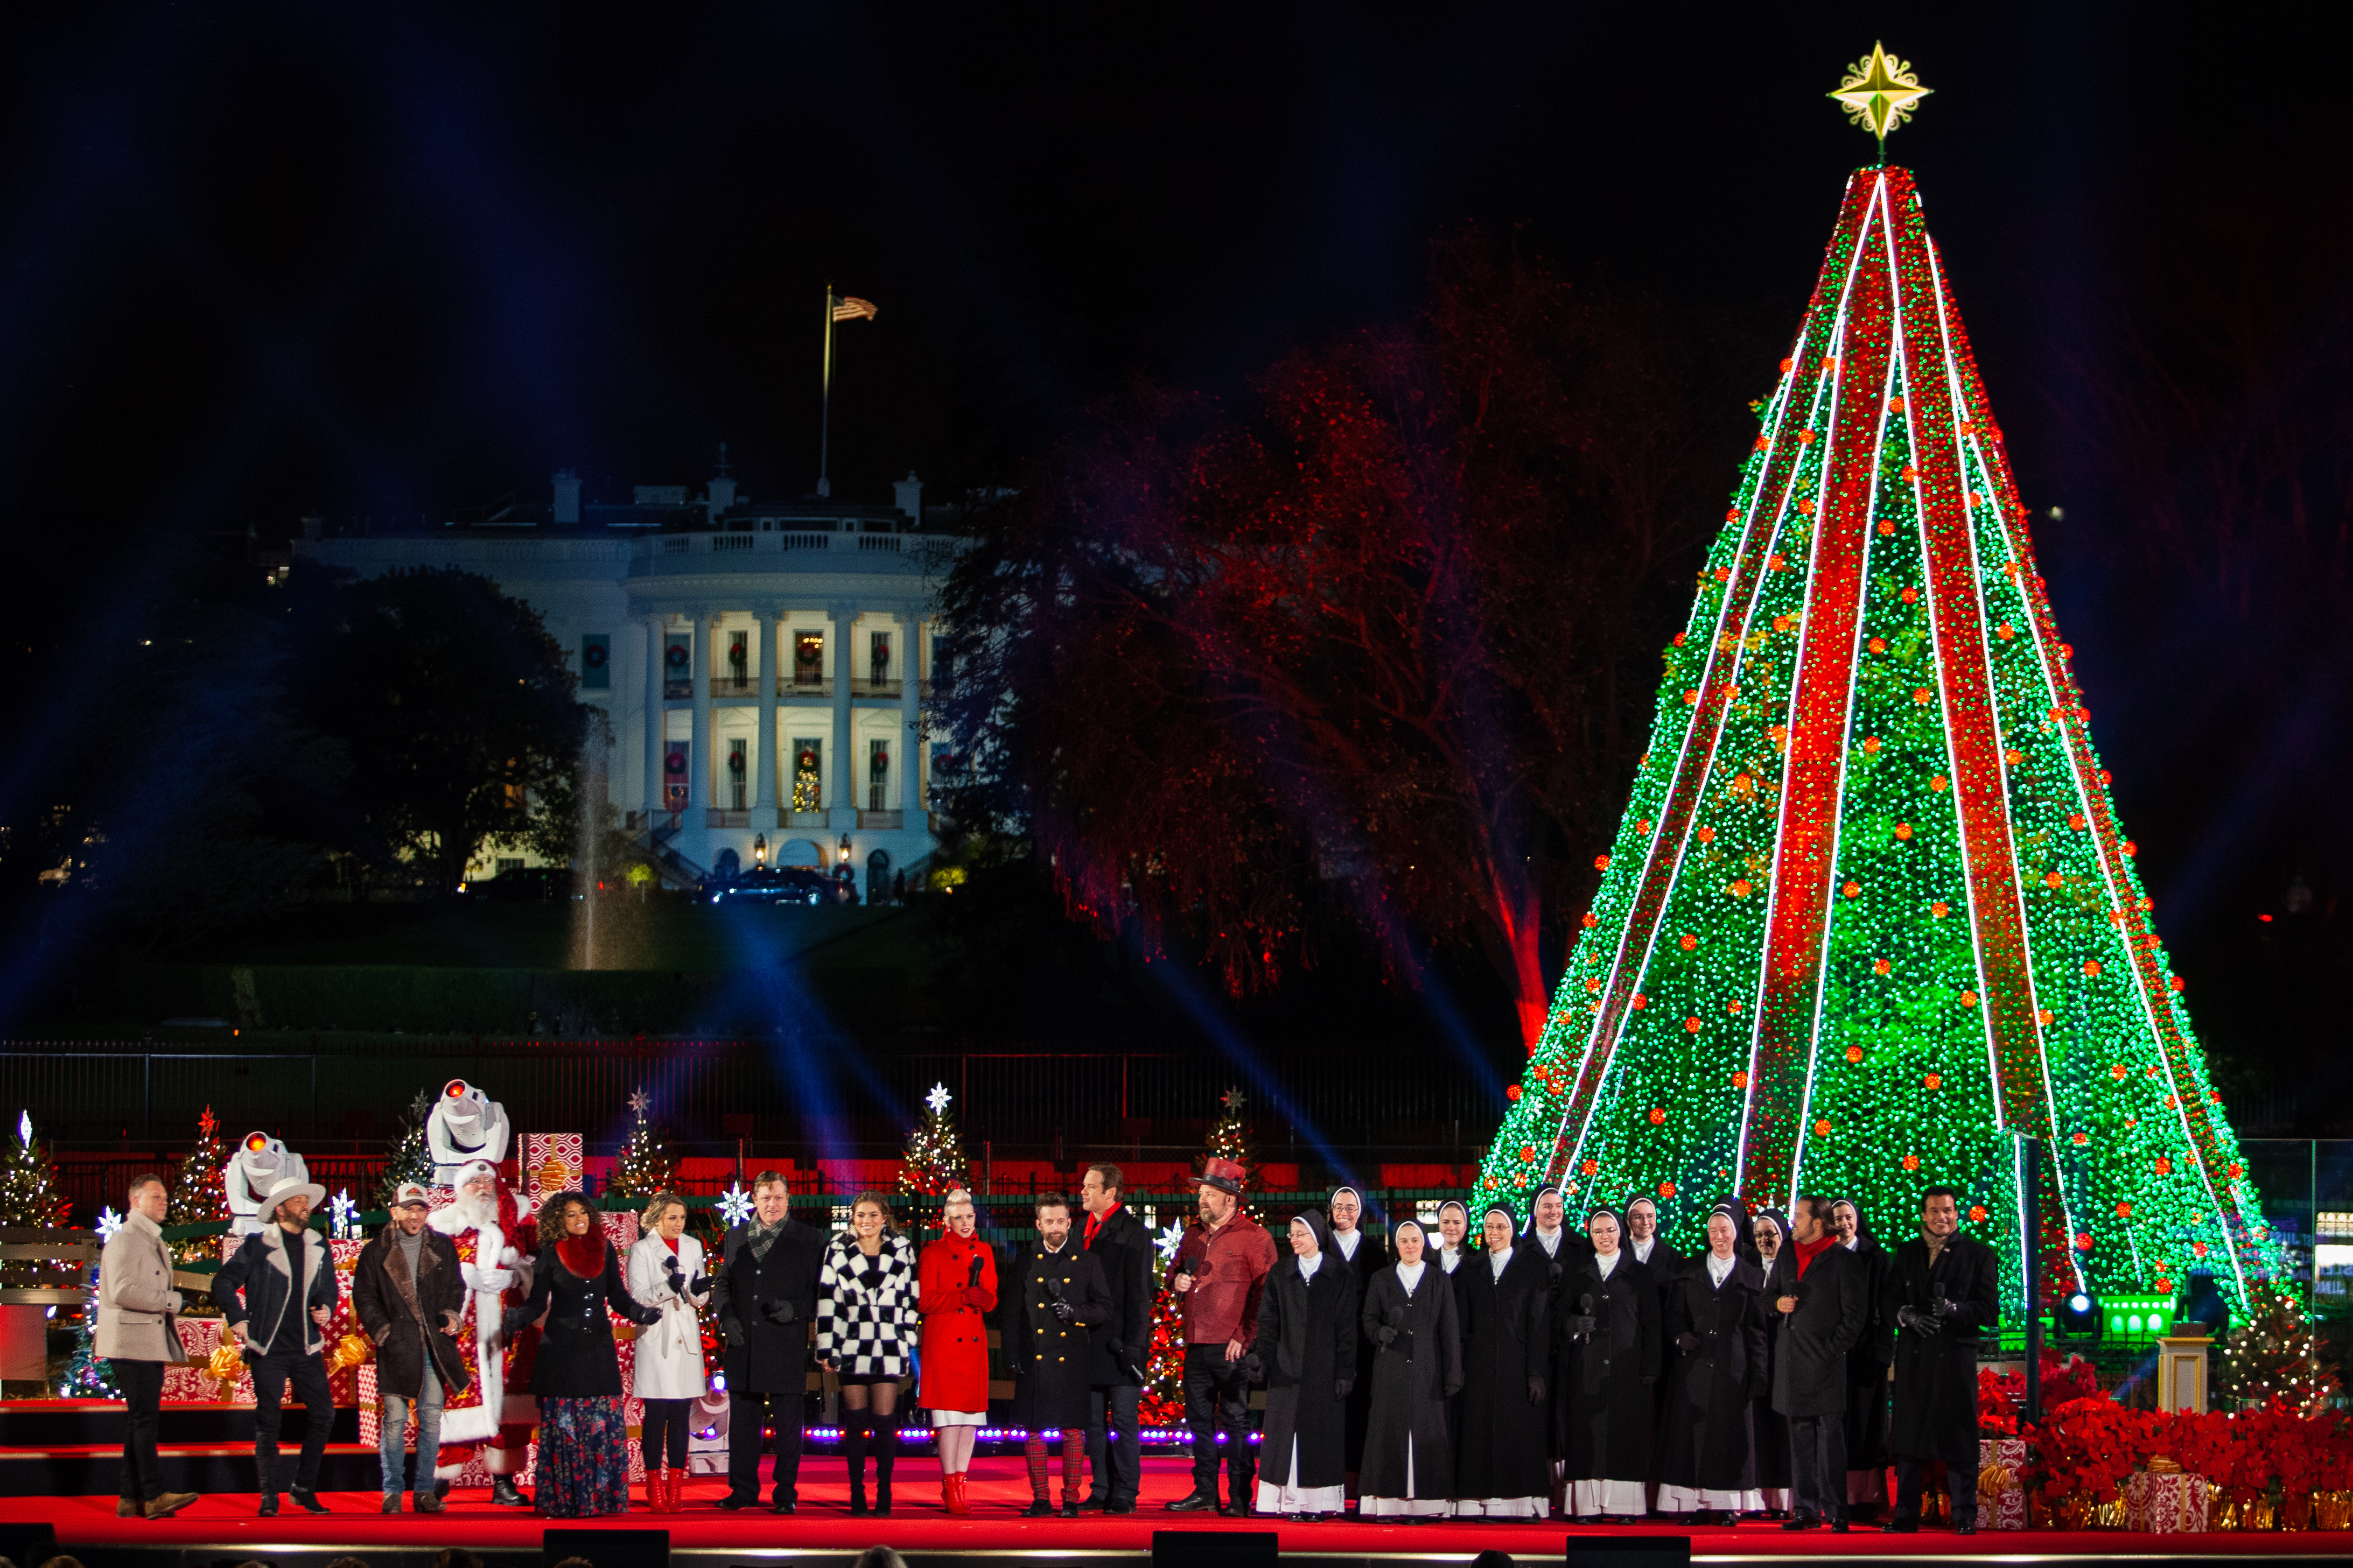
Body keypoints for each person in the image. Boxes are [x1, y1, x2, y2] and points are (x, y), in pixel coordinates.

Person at [503, 1191, 661, 1517]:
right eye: (571, 1215)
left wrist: (641, 1313)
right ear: (559, 1221)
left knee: (601, 1427)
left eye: (583, 1213)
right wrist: (516, 1319)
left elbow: (618, 1296)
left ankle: (603, 1499)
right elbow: (536, 1303)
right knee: (564, 1429)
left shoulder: (604, 1250)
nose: (579, 1219)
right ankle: (564, 1500)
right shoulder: (549, 1254)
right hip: (560, 1352)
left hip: (597, 1352)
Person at [214, 1172, 339, 1516]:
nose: (306, 1206)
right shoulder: (258, 1246)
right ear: (280, 1209)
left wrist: (327, 1308)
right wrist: (238, 1319)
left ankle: (303, 1488)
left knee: (324, 1415)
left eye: (307, 1201)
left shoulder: (318, 1243)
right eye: (298, 1201)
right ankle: (270, 1496)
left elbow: (329, 1289)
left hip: (306, 1348)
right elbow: (224, 1283)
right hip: (267, 1348)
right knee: (268, 1421)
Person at [1164, 1157, 1277, 1516]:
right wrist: (1176, 1280)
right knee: (1198, 1424)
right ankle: (1205, 1492)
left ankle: (1241, 1496)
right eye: (1201, 1193)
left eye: (1210, 1194)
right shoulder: (1194, 1233)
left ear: (1231, 1198)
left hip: (1231, 1347)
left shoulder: (1256, 1237)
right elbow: (1174, 1270)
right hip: (1196, 1342)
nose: (1202, 1200)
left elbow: (1265, 1293)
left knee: (1236, 1422)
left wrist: (1244, 1336)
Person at [1883, 1187, 1999, 1535]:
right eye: (1934, 1211)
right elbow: (1887, 1301)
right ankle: (1905, 1515)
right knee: (1909, 1437)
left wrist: (1954, 1310)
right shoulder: (1907, 1252)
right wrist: (1906, 1315)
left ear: (1956, 1214)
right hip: (1915, 1357)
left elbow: (1990, 1311)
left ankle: (1965, 1516)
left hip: (1954, 1359)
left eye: (1947, 1210)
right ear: (1923, 1214)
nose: (1941, 1217)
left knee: (1959, 1438)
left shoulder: (1979, 1255)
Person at [427, 1158, 538, 1507]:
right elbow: (424, 1272)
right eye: (473, 1182)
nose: (482, 1187)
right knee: (458, 1399)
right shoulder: (443, 1226)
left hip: (509, 1327)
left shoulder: (516, 1221)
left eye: (487, 1181)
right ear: (461, 1189)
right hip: (463, 1329)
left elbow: (537, 1261)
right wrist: (462, 1274)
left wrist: (518, 1275)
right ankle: (440, 1477)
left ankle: (504, 1479)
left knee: (509, 1400)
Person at [353, 1182, 469, 1515]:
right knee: (395, 1418)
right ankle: (392, 1493)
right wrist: (382, 1330)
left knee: (431, 1418)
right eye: (409, 1209)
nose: (415, 1215)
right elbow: (364, 1296)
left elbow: (455, 1288)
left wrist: (450, 1314)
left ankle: (423, 1492)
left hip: (433, 1343)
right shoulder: (376, 1251)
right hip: (397, 1344)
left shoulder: (443, 1247)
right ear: (395, 1212)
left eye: (420, 1209)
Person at [713, 1170, 825, 1513]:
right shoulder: (735, 1237)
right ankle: (743, 1490)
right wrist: (727, 1316)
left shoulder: (810, 1239)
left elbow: (823, 1293)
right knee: (744, 1424)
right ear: (755, 1201)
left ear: (788, 1199)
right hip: (743, 1344)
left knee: (789, 1426)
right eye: (765, 1198)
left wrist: (796, 1309)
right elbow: (722, 1285)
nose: (772, 1204)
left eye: (778, 1198)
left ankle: (786, 1493)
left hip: (785, 1344)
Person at [1657, 1201, 1768, 1524]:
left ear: (1736, 1233)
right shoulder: (1688, 1272)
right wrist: (1680, 1336)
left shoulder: (1752, 1277)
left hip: (1733, 1370)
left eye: (1725, 1230)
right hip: (1694, 1369)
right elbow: (1673, 1315)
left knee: (1728, 1437)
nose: (1718, 1236)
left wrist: (1759, 1373)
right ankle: (1693, 1505)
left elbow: (1757, 1331)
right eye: (1713, 1230)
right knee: (1691, 1438)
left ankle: (1726, 1505)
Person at [1002, 1194, 1112, 1516]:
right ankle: (1040, 1498)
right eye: (1049, 1222)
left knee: (1073, 1429)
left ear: (1069, 1222)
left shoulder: (1087, 1261)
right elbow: (1011, 1313)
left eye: (1061, 1221)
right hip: (1033, 1356)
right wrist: (1011, 1354)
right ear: (1039, 1225)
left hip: (1072, 1357)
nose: (1056, 1228)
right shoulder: (1026, 1260)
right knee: (1034, 1431)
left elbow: (1105, 1307)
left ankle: (1071, 1499)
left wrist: (1076, 1314)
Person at [96, 1173, 198, 1520]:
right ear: (135, 1202)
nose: (164, 1202)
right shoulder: (128, 1240)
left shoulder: (146, 1239)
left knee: (139, 1420)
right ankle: (153, 1495)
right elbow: (121, 1291)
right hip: (132, 1342)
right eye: (156, 1197)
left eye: (165, 1197)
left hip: (141, 1341)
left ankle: (129, 1498)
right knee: (144, 1420)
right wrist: (169, 1301)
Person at [1766, 1194, 1867, 1531]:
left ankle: (1838, 1510)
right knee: (1799, 1440)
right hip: (1792, 1361)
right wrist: (1778, 1303)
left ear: (1819, 1223)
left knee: (1830, 1443)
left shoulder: (1843, 1260)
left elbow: (1855, 1318)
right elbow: (1768, 1296)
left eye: (1799, 1216)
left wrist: (1830, 1352)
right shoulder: (1787, 1254)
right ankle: (1805, 1511)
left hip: (1825, 1366)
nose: (1793, 1221)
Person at [815, 1192, 919, 1518]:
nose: (866, 1221)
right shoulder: (837, 1249)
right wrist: (827, 1349)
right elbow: (827, 1300)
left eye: (873, 1215)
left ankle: (884, 1490)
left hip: (889, 1345)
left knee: (885, 1423)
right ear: (853, 1218)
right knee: (856, 1423)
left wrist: (906, 1339)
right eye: (860, 1215)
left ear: (884, 1218)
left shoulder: (902, 1248)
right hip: (852, 1345)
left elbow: (910, 1298)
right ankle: (857, 1492)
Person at [1250, 1209, 1358, 1521]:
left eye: (1300, 1234)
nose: (1294, 1239)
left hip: (1324, 1373)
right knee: (1286, 1438)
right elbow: (1268, 1322)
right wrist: (1264, 1358)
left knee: (1320, 1438)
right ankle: (1287, 1502)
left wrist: (1344, 1372)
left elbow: (1346, 1329)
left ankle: (1317, 1505)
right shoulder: (1281, 1273)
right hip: (1286, 1370)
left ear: (1317, 1236)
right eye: (1292, 1234)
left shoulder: (1339, 1274)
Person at [1556, 1206, 1658, 1523]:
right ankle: (1586, 1508)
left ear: (1620, 1232)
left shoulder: (1639, 1274)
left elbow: (1652, 1325)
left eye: (1610, 1230)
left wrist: (1650, 1369)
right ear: (1591, 1234)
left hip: (1627, 1371)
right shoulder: (1577, 1272)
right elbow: (1559, 1317)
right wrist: (1574, 1323)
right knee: (1588, 1438)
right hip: (1586, 1369)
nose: (1605, 1237)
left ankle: (1624, 1508)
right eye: (1598, 1231)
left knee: (1624, 1438)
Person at [1357, 1218, 1461, 1520]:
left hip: (1429, 1369)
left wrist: (1453, 1373)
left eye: (1415, 1240)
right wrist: (1379, 1333)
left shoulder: (1440, 1280)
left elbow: (1450, 1330)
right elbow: (1368, 1319)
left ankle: (1427, 1505)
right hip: (1391, 1369)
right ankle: (1389, 1503)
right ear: (1397, 1245)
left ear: (1423, 1243)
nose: (1410, 1246)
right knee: (1390, 1434)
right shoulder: (1381, 1279)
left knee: (1426, 1433)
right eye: (1404, 1241)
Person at [1454, 1204, 1551, 1518]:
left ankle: (1517, 1503)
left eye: (1501, 1227)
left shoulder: (1532, 1267)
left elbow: (1538, 1323)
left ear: (1513, 1230)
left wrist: (1536, 1372)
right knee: (1478, 1432)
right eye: (1489, 1227)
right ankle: (1477, 1502)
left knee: (1517, 1433)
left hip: (1517, 1364)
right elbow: (1462, 1326)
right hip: (1479, 1365)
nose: (1494, 1233)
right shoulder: (1471, 1268)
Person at [626, 1190, 712, 1515]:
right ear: (658, 1218)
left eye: (683, 1218)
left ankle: (676, 1491)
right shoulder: (642, 1249)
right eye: (672, 1218)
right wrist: (669, 1288)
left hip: (686, 1341)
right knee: (657, 1415)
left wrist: (699, 1293)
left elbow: (697, 1297)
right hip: (657, 1339)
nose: (679, 1224)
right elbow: (638, 1296)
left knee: (680, 1416)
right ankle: (653, 1489)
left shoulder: (693, 1246)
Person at [1078, 1162, 1152, 1515]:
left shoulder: (1133, 1231)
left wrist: (1135, 1346)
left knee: (1123, 1421)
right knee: (1093, 1422)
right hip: (1087, 1344)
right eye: (1084, 1185)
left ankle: (1125, 1491)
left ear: (1111, 1192)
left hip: (1122, 1344)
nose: (1083, 1191)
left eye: (1091, 1186)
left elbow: (1140, 1292)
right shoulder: (1080, 1228)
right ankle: (1101, 1487)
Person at [916, 1188, 996, 1514]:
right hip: (945, 1343)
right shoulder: (933, 1252)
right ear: (947, 1220)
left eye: (969, 1216)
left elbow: (991, 1298)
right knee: (949, 1420)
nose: (965, 1223)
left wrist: (983, 1298)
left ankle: (961, 1482)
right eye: (958, 1218)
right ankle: (950, 1483)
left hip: (973, 1345)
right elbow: (924, 1301)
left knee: (971, 1421)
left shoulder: (986, 1252)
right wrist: (963, 1297)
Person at [1828, 1198, 1894, 1521]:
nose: (1842, 1223)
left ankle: (1866, 1499)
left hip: (1867, 1357)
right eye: (1837, 1218)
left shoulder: (1876, 1258)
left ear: (1857, 1220)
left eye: (1848, 1217)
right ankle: (1837, 1498)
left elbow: (1886, 1309)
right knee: (1836, 1428)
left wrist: (1881, 1355)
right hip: (1832, 1357)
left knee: (1866, 1428)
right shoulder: (1825, 1258)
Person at [1748, 1208, 1794, 1516]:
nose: (1766, 1240)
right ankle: (1758, 1498)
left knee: (1784, 1428)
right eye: (1760, 1235)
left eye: (1771, 1234)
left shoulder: (1794, 1266)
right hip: (1755, 1357)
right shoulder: (1747, 1266)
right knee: (1758, 1428)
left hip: (1787, 1357)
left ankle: (1784, 1500)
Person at [1433, 1201, 1470, 1275]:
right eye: (1446, 1222)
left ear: (1466, 1226)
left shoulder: (1476, 1260)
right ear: (1439, 1225)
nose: (1451, 1228)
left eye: (1457, 1223)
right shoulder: (1429, 1261)